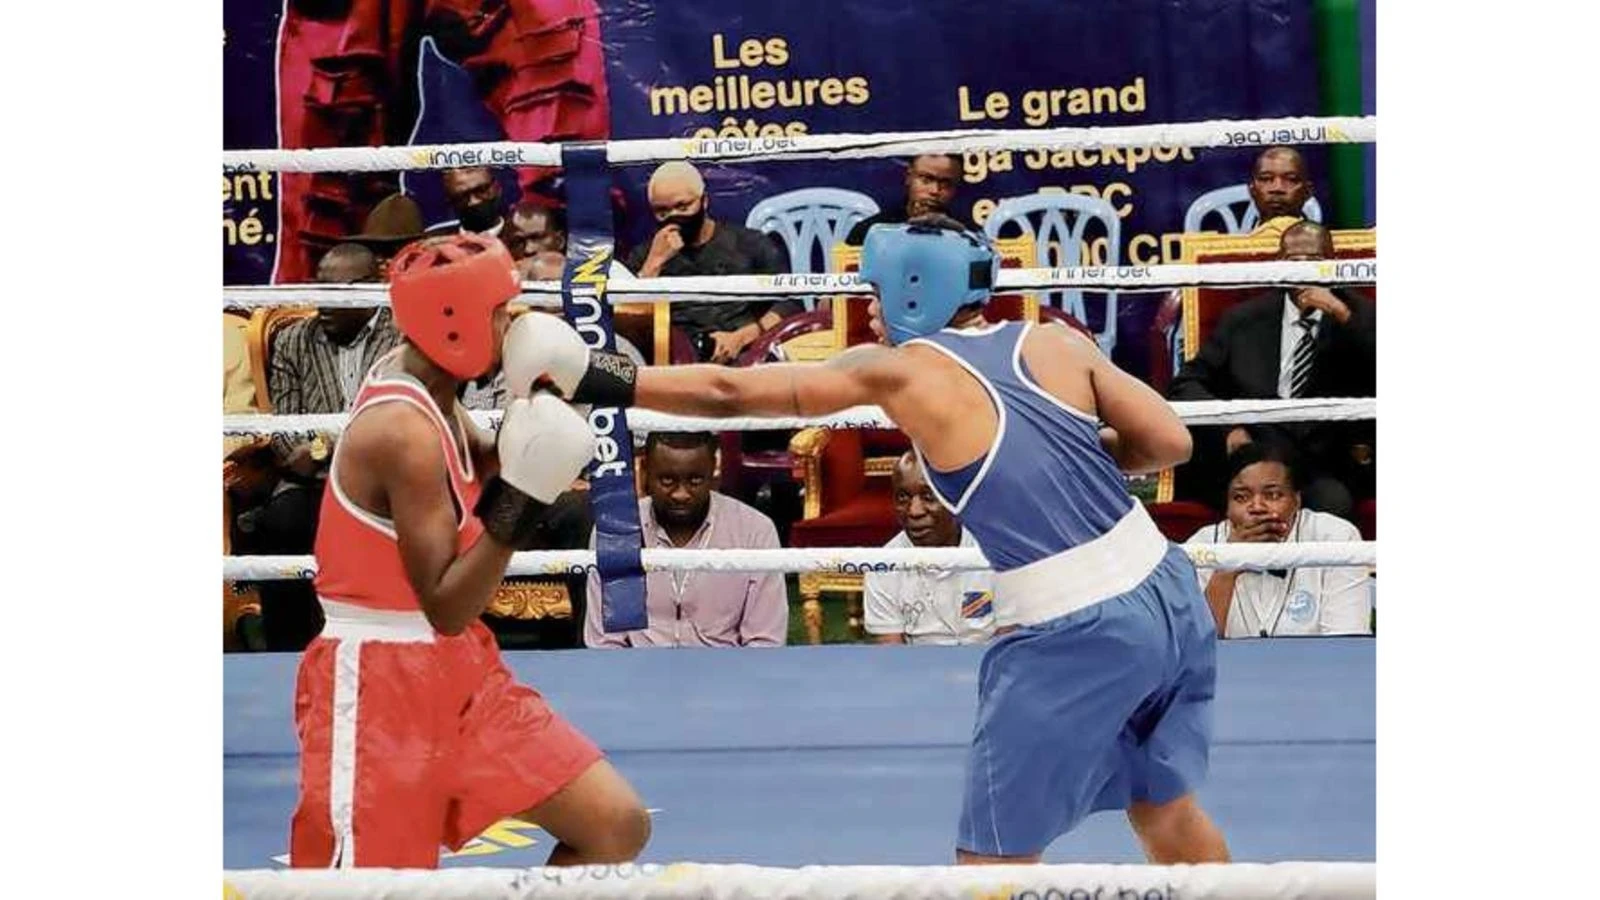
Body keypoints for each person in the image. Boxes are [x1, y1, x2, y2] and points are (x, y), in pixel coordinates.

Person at [504, 214, 1230, 865]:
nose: (870, 309)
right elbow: (1167, 442)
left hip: (1078, 630)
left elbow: (732, 394)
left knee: (992, 863)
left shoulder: (899, 370)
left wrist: (591, 372)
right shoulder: (1052, 342)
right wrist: (1062, 457)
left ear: (916, 291)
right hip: (1168, 594)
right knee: (1163, 809)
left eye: (877, 293)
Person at [291, 233, 649, 869]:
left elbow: (491, 468)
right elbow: (447, 604)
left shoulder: (440, 393)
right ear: (452, 322)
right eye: (500, 310)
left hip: (461, 671)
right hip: (381, 681)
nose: (513, 323)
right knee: (372, 889)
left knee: (613, 826)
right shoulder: (401, 431)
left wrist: (548, 397)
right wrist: (527, 495)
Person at [1167, 220, 1376, 518]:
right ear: (1278, 264)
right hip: (1253, 454)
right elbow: (1185, 385)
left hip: (1325, 464)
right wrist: (1229, 429)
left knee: (1333, 504)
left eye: (1314, 261)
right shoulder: (1243, 319)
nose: (1303, 269)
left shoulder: (1360, 315)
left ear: (1333, 263)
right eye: (1294, 261)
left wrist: (1341, 314)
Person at [583, 431, 787, 649]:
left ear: (713, 471)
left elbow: (765, 643)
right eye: (667, 480)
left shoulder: (755, 531)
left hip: (728, 674)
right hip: (637, 674)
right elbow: (605, 645)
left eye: (695, 480)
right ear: (644, 473)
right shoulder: (617, 531)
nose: (681, 494)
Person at [1185, 443, 1372, 638]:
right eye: (1241, 497)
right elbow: (1194, 649)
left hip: (1315, 667)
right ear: (1227, 506)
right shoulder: (1201, 547)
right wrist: (1227, 568)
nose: (1257, 507)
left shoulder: (1336, 538)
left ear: (1296, 500)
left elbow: (1346, 645)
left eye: (1272, 495)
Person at [625, 161, 799, 363]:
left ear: (704, 201)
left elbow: (789, 303)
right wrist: (653, 264)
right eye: (662, 212)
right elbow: (629, 323)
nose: (674, 217)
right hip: (677, 361)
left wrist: (741, 338)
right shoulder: (644, 256)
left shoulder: (749, 244)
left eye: (683, 206)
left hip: (747, 355)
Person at [864, 452, 997, 645]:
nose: (914, 511)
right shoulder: (882, 566)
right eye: (903, 498)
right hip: (918, 670)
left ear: (956, 499)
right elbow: (891, 651)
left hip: (990, 664)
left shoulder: (998, 550)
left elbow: (1011, 633)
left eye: (928, 496)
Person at [844, 154, 968, 246]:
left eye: (946, 184)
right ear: (909, 177)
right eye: (926, 180)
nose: (935, 190)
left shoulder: (967, 236)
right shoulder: (868, 232)